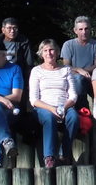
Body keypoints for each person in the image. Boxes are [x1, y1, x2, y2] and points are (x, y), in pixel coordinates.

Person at [30, 39, 80, 168]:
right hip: (43, 107)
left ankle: (64, 153)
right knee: (49, 118)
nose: (49, 53)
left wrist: (63, 107)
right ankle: (49, 157)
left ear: (57, 52)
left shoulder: (66, 70)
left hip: (64, 105)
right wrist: (51, 108)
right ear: (41, 54)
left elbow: (73, 95)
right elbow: (33, 99)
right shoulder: (36, 71)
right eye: (45, 51)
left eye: (51, 50)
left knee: (74, 117)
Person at [60, 15, 96, 105]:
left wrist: (84, 72)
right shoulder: (68, 45)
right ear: (75, 31)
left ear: (90, 29)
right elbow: (66, 66)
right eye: (81, 29)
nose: (84, 32)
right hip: (75, 78)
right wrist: (79, 70)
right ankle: (82, 109)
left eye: (86, 29)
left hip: (93, 77)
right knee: (79, 79)